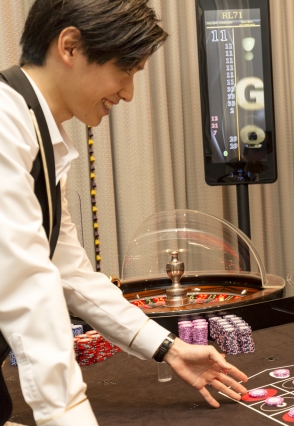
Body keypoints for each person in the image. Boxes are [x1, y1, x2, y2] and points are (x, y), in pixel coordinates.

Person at [0, 1, 248, 424]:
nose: (128, 93)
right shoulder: (6, 126)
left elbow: (72, 275)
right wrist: (69, 414)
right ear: (70, 46)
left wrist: (169, 347)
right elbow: (27, 288)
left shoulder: (39, 135)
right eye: (125, 70)